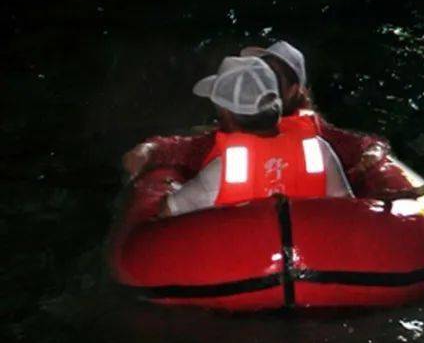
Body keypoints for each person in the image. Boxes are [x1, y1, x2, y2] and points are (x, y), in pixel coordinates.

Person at [122, 39, 390, 194]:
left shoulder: (319, 138)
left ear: (294, 90)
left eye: (271, 77)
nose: (260, 82)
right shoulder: (236, 127)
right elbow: (188, 148)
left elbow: (361, 144)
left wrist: (373, 153)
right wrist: (150, 149)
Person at [162, 57, 353, 216]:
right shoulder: (319, 149)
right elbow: (349, 209)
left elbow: (167, 214)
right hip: (309, 249)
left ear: (226, 113)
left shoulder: (221, 172)